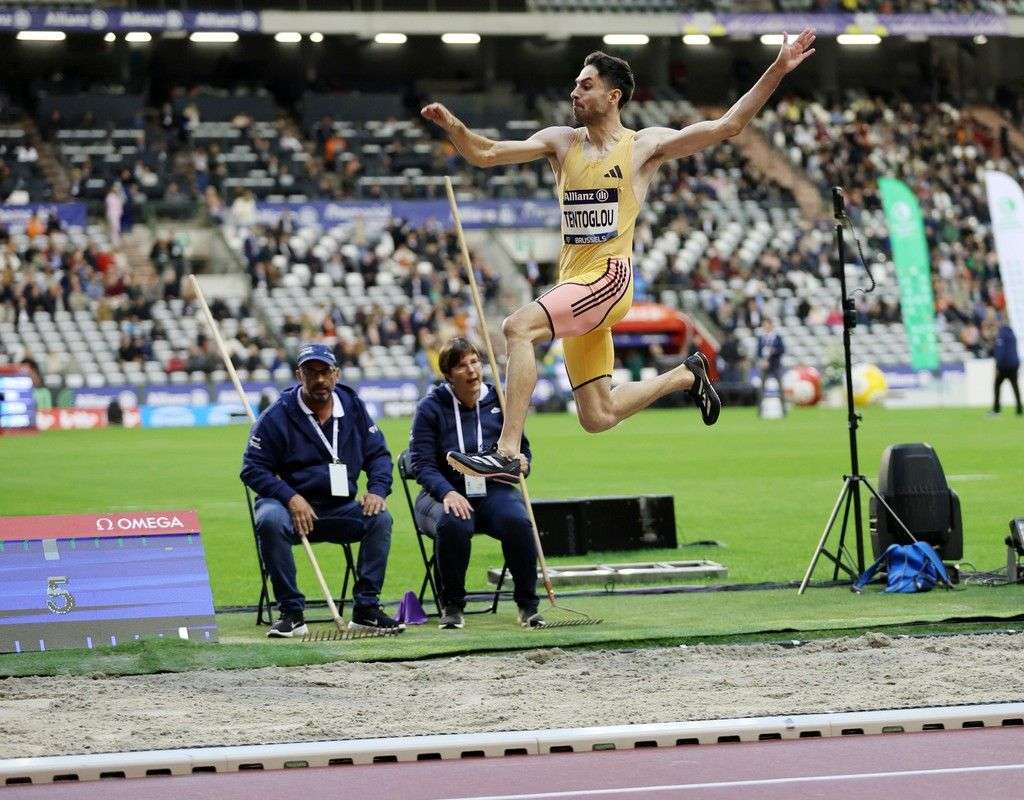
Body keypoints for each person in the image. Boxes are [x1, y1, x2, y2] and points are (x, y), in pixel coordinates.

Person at [421, 30, 818, 482]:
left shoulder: (642, 147)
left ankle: (508, 451)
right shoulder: (561, 142)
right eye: (574, 85)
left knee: (517, 327)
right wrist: (453, 126)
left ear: (613, 96)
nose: (574, 92)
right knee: (597, 414)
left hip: (609, 280)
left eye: (585, 85)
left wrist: (778, 68)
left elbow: (728, 125)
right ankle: (685, 377)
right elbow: (486, 153)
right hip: (574, 283)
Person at [240, 343, 402, 638]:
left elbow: (378, 455)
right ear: (298, 375)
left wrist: (377, 490)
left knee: (380, 518)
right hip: (290, 509)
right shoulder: (277, 415)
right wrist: (291, 497)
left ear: (336, 374)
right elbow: (252, 469)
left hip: (339, 508)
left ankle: (366, 609)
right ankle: (291, 612)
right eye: (311, 372)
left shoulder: (353, 407)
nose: (319, 380)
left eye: (325, 371)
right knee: (269, 520)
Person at [408, 338, 542, 629]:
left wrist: (523, 462)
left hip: (493, 490)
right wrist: (448, 492)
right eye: (460, 365)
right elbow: (421, 464)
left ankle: (527, 606)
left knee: (518, 521)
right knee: (454, 523)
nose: (471, 370)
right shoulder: (431, 408)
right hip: (443, 492)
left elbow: (522, 448)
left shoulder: (502, 401)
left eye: (474, 362)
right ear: (447, 375)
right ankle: (453, 606)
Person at [991, 315, 1023, 416]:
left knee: (997, 385)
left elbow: (1000, 352)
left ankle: (996, 409)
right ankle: (1019, 409)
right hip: (1014, 364)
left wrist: (997, 366)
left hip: (1004, 366)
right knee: (1015, 386)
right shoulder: (1012, 334)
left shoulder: (1001, 335)